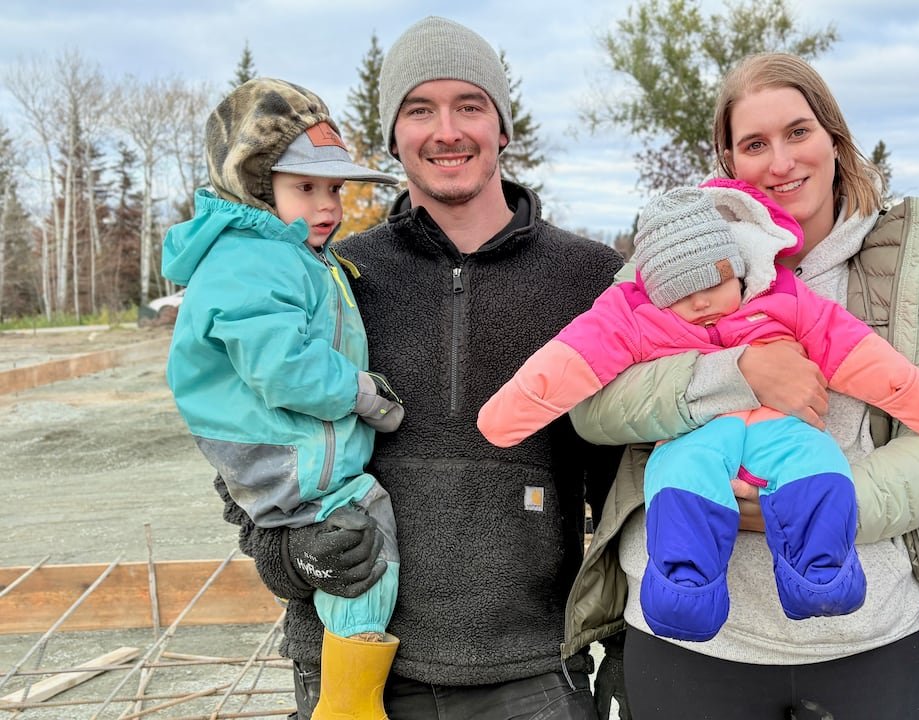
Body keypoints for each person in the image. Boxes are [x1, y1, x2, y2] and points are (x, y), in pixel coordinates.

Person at [210, 16, 624, 720]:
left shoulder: (587, 279)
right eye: (419, 109)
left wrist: (627, 640)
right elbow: (245, 445)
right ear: (394, 134)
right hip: (351, 662)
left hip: (529, 671)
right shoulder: (329, 277)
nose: (447, 130)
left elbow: (623, 482)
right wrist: (292, 558)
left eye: (470, 105)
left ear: (503, 126)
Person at [561, 52, 919, 719]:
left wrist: (815, 506)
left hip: (864, 636)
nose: (781, 161)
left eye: (798, 132)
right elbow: (591, 404)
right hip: (693, 643)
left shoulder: (908, 267)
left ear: (835, 140)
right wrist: (734, 373)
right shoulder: (675, 259)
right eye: (754, 144)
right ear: (728, 161)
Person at [479, 179, 919, 643]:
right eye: (681, 295)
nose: (702, 301)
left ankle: (822, 576)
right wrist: (510, 410)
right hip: (697, 435)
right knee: (682, 479)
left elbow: (847, 345)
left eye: (714, 282)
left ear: (738, 268)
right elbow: (572, 358)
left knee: (816, 463)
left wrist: (915, 396)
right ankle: (684, 591)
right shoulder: (634, 315)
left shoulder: (780, 296)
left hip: (781, 428)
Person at [162, 77, 406, 719]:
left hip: (287, 451)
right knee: (360, 537)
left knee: (353, 535)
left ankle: (347, 689)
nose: (329, 205)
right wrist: (363, 395)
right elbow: (284, 370)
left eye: (335, 188)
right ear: (255, 184)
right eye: (306, 187)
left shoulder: (289, 255)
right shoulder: (252, 261)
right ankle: (349, 703)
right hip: (282, 456)